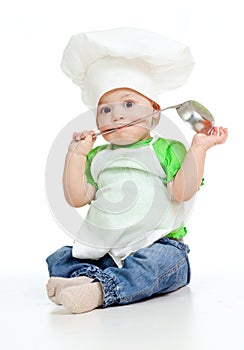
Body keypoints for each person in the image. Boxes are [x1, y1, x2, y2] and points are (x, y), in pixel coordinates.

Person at [46, 28, 228, 314]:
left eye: (129, 104)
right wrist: (76, 155)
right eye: (105, 109)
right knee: (61, 257)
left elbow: (182, 192)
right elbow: (77, 198)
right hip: (108, 251)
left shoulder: (165, 149)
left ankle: (98, 290)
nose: (116, 115)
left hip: (157, 246)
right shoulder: (97, 156)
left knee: (159, 264)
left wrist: (199, 148)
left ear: (155, 113)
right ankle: (92, 278)